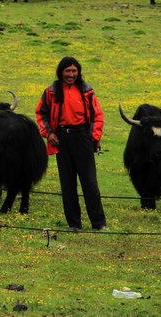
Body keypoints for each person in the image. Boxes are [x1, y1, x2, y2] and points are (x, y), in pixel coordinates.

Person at [36, 56, 107, 231]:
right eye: (67, 71)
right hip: (61, 139)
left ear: (79, 72)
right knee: (67, 184)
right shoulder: (50, 92)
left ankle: (99, 223)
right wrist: (49, 133)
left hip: (83, 137)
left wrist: (93, 137)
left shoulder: (87, 91)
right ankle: (74, 224)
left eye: (74, 71)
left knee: (90, 183)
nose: (71, 74)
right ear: (61, 72)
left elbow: (97, 116)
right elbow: (41, 114)